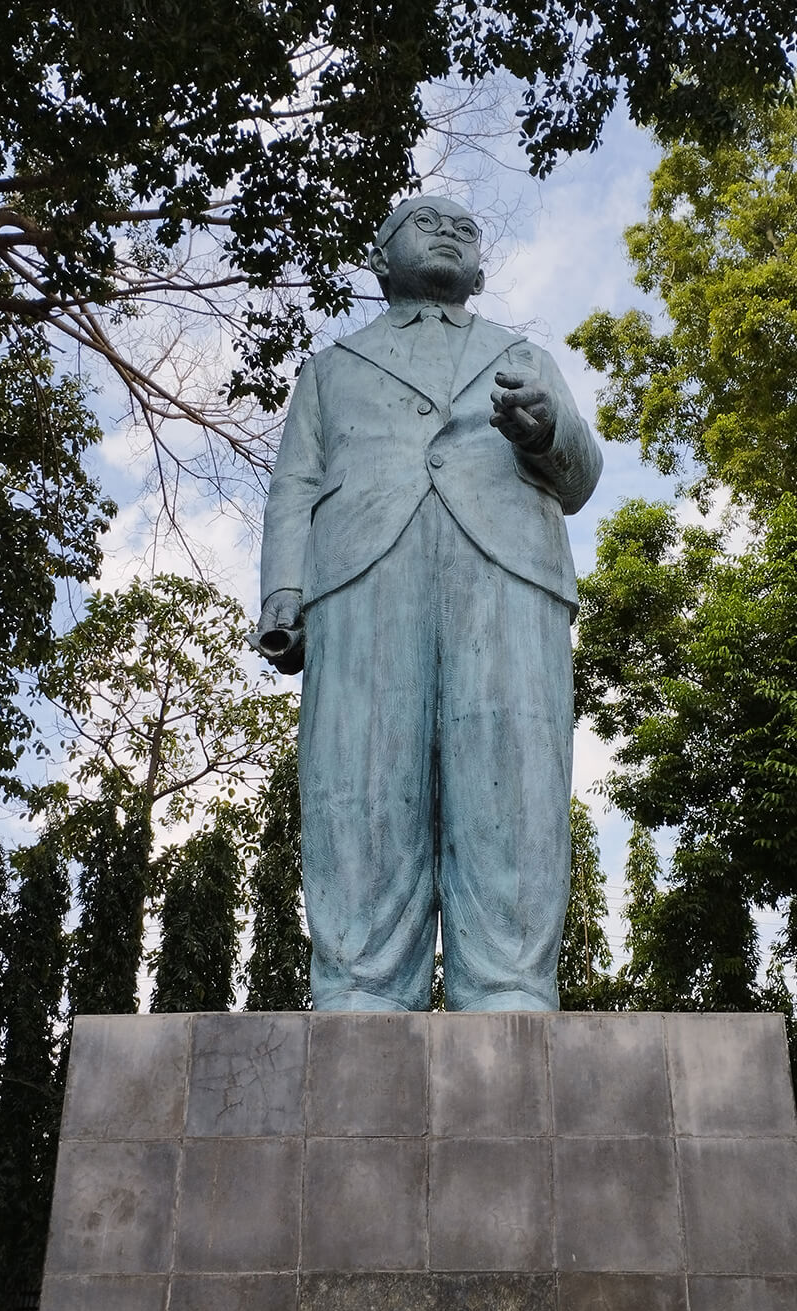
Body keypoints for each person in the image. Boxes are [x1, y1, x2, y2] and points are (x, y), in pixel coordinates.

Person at [254, 196, 602, 1011]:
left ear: (480, 268)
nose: (448, 229)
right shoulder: (334, 368)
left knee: (512, 771)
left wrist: (547, 429)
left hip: (509, 565)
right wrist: (284, 591)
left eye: (465, 227)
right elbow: (292, 486)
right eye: (423, 220)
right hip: (362, 572)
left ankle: (510, 980)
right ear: (380, 259)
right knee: (361, 773)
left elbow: (582, 475)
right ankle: (362, 980)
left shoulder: (522, 356)